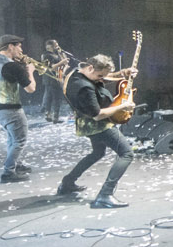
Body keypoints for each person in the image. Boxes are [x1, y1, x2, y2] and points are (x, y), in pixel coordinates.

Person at [58, 54, 137, 207]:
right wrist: (122, 106)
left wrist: (123, 73)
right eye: (100, 75)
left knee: (98, 153)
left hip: (85, 123)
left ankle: (67, 183)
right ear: (90, 68)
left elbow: (104, 77)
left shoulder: (77, 73)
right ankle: (105, 195)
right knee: (127, 153)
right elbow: (98, 115)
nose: (102, 79)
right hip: (97, 126)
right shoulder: (84, 88)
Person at [0, 34, 38, 182]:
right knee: (19, 140)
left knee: (12, 138)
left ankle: (16, 165)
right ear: (10, 46)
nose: (21, 50)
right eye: (19, 46)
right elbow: (31, 89)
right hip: (11, 109)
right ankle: (8, 172)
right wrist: (30, 71)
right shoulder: (12, 66)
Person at [40, 38, 73, 123]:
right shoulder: (46, 55)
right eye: (56, 45)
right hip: (51, 79)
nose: (57, 46)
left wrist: (64, 61)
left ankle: (54, 116)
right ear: (50, 46)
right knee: (52, 98)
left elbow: (63, 65)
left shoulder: (57, 54)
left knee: (56, 98)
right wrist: (62, 62)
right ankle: (51, 115)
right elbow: (51, 67)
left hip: (58, 77)